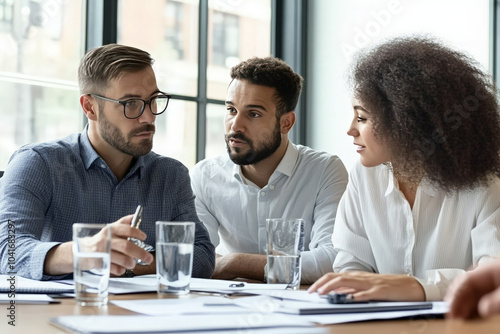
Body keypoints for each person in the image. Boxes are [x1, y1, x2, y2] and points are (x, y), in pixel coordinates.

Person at [308, 36, 500, 301]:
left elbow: (492, 278)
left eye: (362, 118)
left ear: (406, 122)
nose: (350, 130)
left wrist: (418, 287)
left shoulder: (486, 185)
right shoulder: (364, 176)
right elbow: (351, 263)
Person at [0, 44, 215, 280]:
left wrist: (123, 265)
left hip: (144, 313)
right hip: (57, 312)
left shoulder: (170, 175)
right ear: (89, 107)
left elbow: (202, 257)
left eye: (153, 99)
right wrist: (83, 252)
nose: (149, 116)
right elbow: (7, 251)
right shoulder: (38, 164)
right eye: (130, 103)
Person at [190, 56, 348, 283]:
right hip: (226, 307)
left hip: (301, 312)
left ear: (286, 123)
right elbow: (196, 258)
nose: (235, 126)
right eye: (231, 110)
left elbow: (333, 260)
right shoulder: (205, 176)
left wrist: (233, 263)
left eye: (253, 114)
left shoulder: (325, 171)